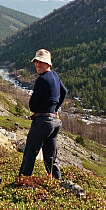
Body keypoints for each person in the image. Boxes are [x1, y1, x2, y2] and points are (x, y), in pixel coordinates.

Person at [19, 49, 67, 179]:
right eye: (36, 62)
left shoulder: (42, 80)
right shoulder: (55, 75)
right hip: (55, 122)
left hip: (42, 122)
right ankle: (58, 183)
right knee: (51, 157)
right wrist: (55, 108)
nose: (37, 65)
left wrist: (39, 107)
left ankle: (23, 181)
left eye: (41, 62)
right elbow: (64, 92)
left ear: (48, 64)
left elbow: (32, 105)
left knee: (30, 154)